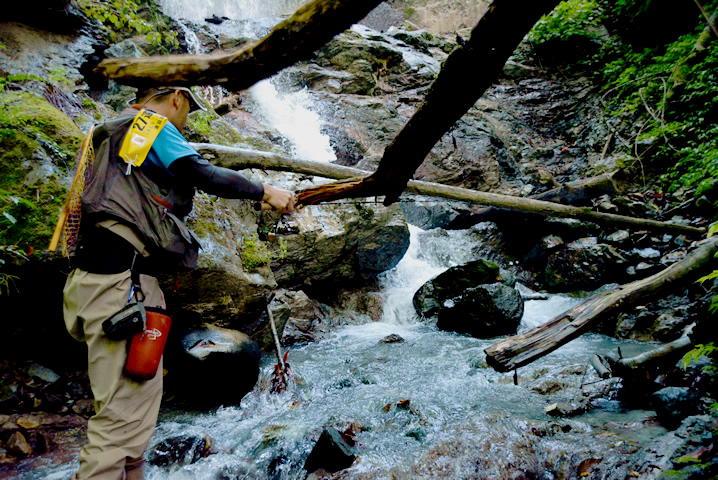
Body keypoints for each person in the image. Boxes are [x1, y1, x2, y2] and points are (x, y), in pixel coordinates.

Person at [63, 86, 295, 480]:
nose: (186, 120)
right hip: (121, 288)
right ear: (176, 97)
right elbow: (199, 172)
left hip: (110, 285)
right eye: (189, 109)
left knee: (140, 404)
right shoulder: (149, 124)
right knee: (120, 417)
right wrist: (266, 191)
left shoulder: (108, 135)